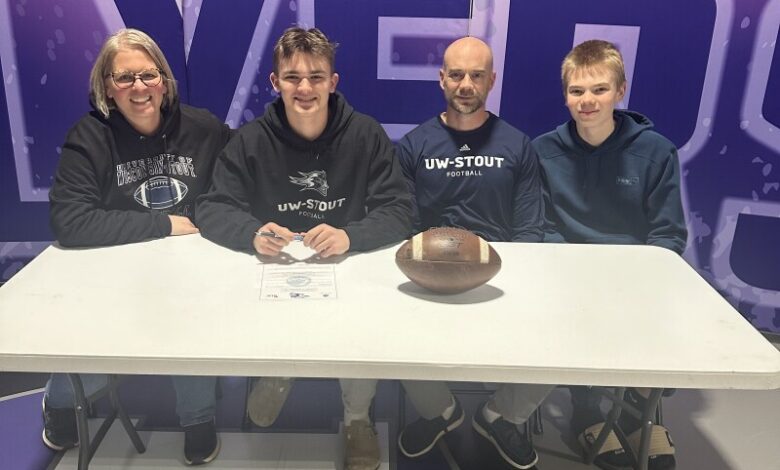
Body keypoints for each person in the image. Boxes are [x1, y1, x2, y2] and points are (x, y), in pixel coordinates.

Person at [195, 27, 412, 470]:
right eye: (293, 77)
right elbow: (212, 207)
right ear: (275, 83)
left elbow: (401, 209)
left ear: (333, 81)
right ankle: (281, 370)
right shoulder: (250, 139)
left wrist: (352, 236)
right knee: (271, 314)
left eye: (316, 77)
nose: (305, 88)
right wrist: (251, 233)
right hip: (274, 270)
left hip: (346, 267)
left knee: (361, 326)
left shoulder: (366, 134)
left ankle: (357, 418)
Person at [48, 28, 232, 465]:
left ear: (164, 82)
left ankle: (197, 417)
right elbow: (70, 221)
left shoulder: (203, 128)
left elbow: (244, 175)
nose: (139, 87)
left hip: (188, 273)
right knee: (92, 357)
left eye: (148, 75)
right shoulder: (89, 137)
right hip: (114, 275)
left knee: (189, 331)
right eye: (124, 77)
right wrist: (162, 224)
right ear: (107, 87)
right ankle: (58, 404)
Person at [395, 36, 551, 470]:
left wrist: (513, 284)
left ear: (491, 80)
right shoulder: (414, 145)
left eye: (476, 75)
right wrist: (425, 278)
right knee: (386, 327)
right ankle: (440, 411)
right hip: (430, 278)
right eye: (457, 74)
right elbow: (404, 226)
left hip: (499, 278)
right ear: (442, 78)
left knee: (561, 334)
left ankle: (501, 416)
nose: (466, 84)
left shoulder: (516, 144)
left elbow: (529, 229)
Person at [532, 39, 687, 470]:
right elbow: (542, 226)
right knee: (575, 319)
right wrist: (578, 272)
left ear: (620, 91)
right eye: (577, 91)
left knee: (665, 321)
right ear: (566, 95)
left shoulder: (656, 151)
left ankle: (638, 414)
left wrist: (634, 279)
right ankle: (586, 412)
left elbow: (668, 234)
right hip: (569, 273)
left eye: (599, 89)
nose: (588, 101)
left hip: (636, 276)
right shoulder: (543, 151)